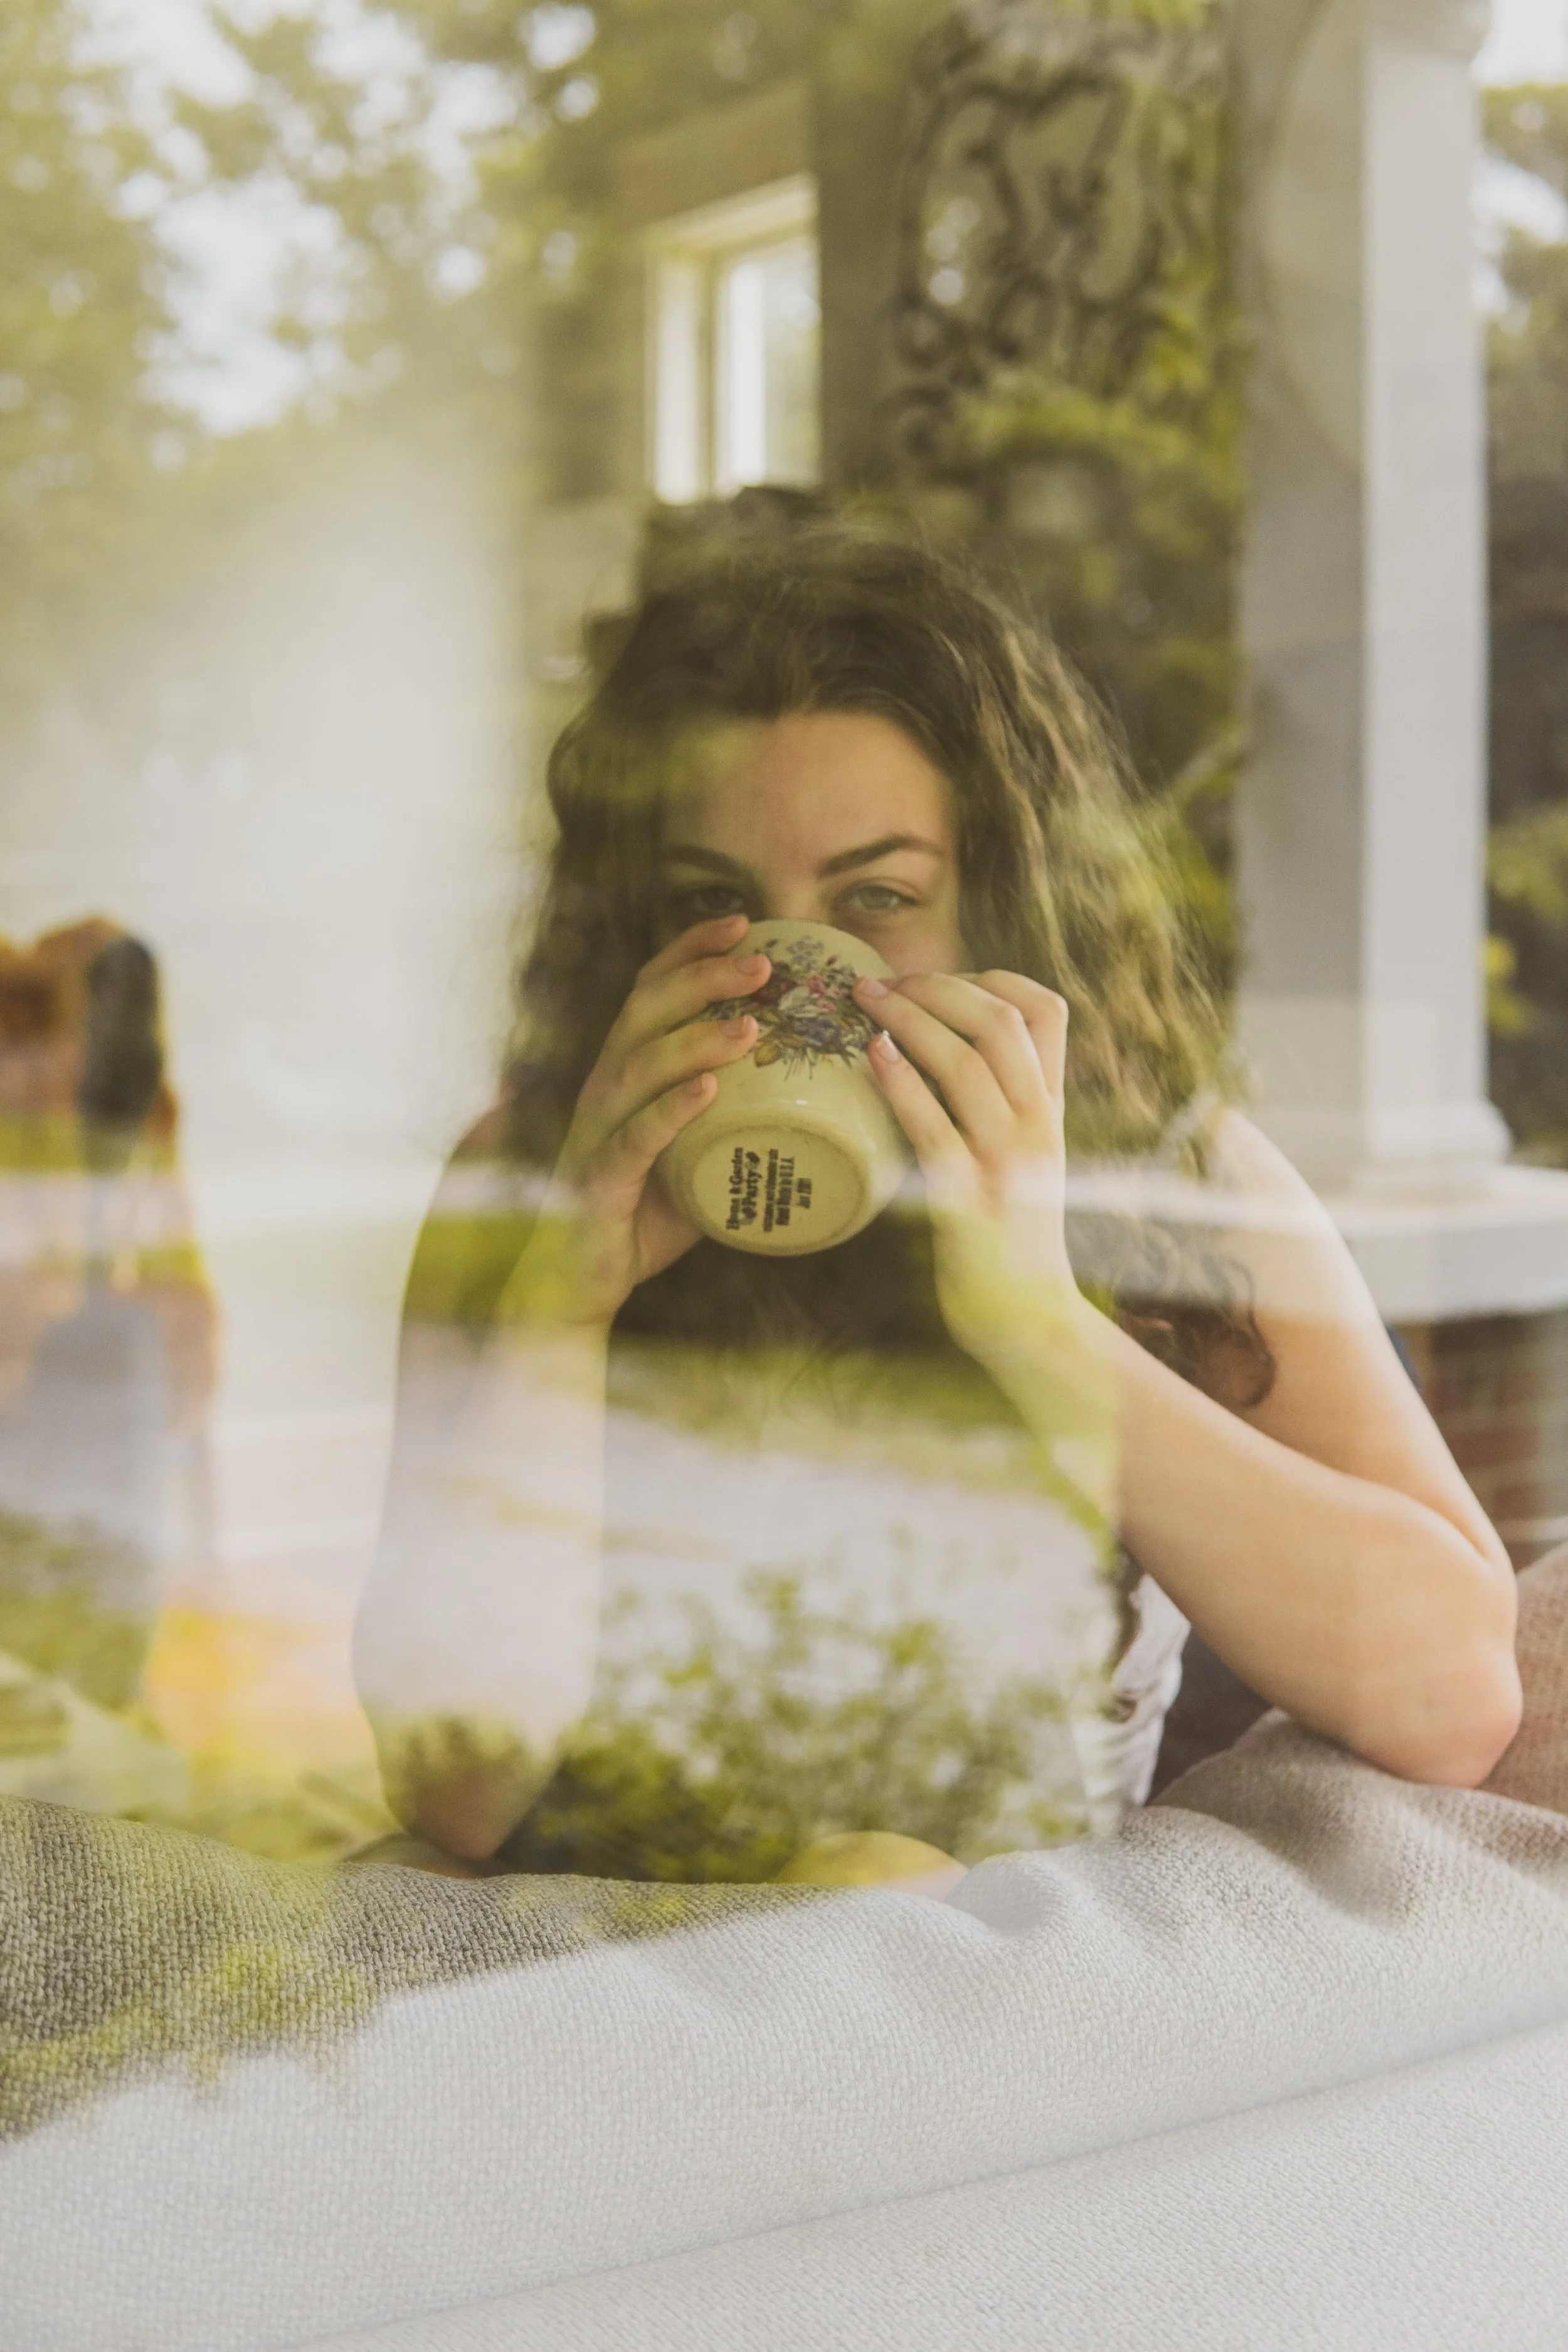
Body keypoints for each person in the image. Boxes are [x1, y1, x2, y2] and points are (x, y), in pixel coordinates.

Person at [352, 526, 1520, 1885]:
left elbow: (1450, 1697)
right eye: (712, 906)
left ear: (1002, 902)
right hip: (609, 1989)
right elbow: (459, 1797)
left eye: (876, 900)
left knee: (877, 1885)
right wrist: (559, 1311)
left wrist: (1036, 1317)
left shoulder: (1164, 1177)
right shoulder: (532, 1173)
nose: (796, 985)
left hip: (986, 2006)